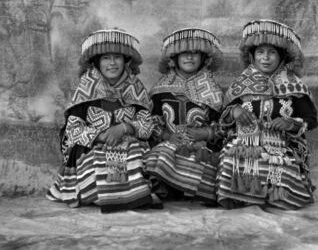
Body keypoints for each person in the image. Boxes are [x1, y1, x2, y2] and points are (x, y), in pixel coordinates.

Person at [47, 28, 162, 212]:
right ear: (96, 62)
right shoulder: (86, 87)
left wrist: (125, 128)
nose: (112, 63)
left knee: (133, 150)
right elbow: (73, 130)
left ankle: (121, 196)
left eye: (117, 57)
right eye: (106, 58)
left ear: (126, 61)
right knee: (103, 158)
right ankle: (125, 196)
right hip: (91, 149)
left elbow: (148, 126)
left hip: (130, 146)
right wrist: (101, 136)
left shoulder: (136, 87)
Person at [216, 19, 318, 210]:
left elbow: (311, 120)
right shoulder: (240, 85)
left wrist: (291, 123)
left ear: (282, 57)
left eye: (272, 52)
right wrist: (235, 111)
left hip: (284, 145)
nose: (266, 58)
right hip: (246, 142)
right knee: (232, 154)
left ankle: (276, 197)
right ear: (252, 56)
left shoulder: (295, 85)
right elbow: (223, 118)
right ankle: (242, 197)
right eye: (260, 52)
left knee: (282, 163)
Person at [144, 28, 224, 204]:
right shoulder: (160, 90)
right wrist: (168, 136)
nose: (189, 57)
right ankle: (167, 189)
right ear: (174, 58)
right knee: (162, 154)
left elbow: (223, 127)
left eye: (195, 53)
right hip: (170, 144)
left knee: (204, 161)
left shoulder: (213, 91)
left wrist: (204, 134)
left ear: (204, 58)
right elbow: (153, 123)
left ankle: (190, 190)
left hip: (201, 147)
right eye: (184, 53)